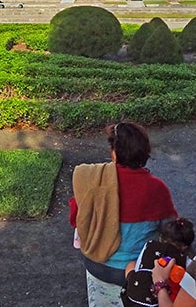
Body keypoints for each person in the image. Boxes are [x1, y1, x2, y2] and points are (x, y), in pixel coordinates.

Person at [69, 122, 178, 286]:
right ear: (145, 152)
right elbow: (171, 230)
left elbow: (75, 219)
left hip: (95, 264)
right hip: (137, 269)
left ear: (114, 153)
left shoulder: (93, 180)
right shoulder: (157, 188)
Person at [121, 217, 195, 307]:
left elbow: (139, 265)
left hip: (131, 299)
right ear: (185, 247)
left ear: (160, 237)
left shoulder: (149, 246)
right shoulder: (185, 261)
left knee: (131, 265)